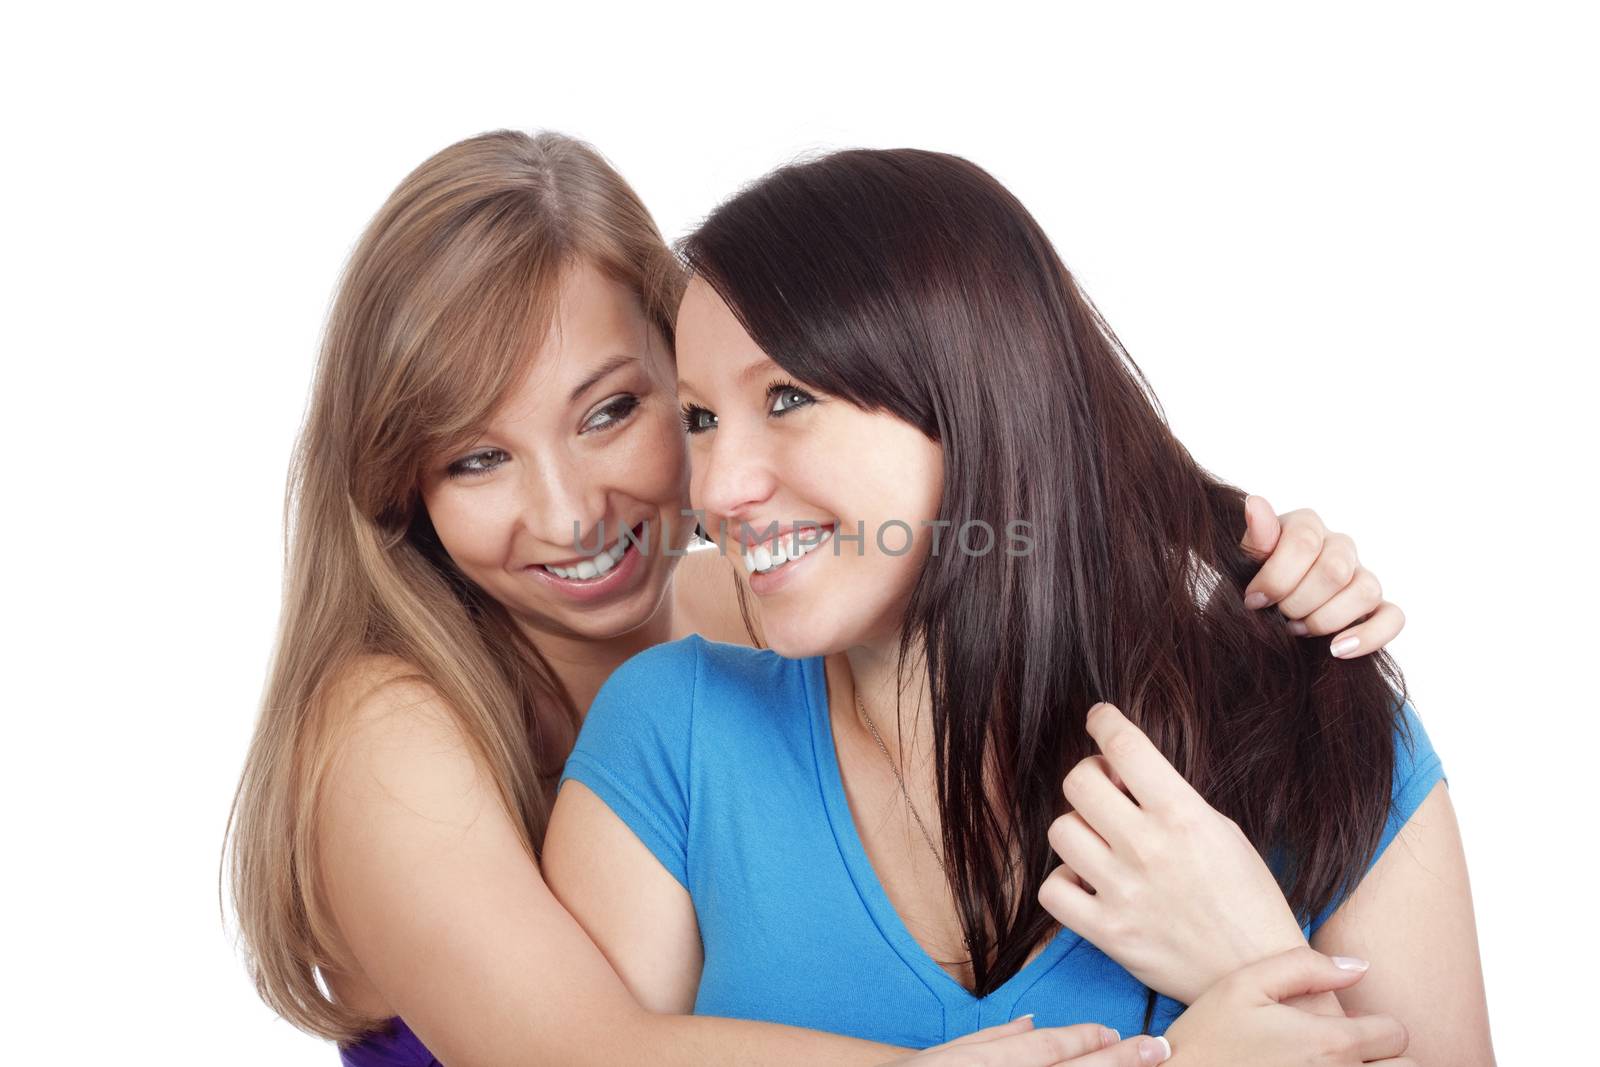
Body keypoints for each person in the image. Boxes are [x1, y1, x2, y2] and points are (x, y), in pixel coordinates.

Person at [228, 130, 1420, 1066]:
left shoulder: (753, 602)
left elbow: (997, 505)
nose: (568, 511)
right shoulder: (391, 729)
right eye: (474, 458)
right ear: (401, 489)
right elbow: (582, 1053)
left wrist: (1263, 560)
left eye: (617, 412)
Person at [543, 148, 1492, 1063]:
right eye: (701, 419)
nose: (721, 487)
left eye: (786, 397)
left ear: (975, 399)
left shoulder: (1318, 732)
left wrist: (1252, 956)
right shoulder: (670, 740)